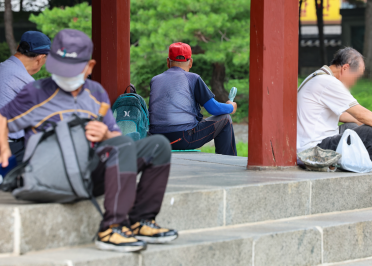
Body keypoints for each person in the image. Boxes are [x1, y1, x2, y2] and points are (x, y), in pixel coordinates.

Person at [0, 29, 178, 252]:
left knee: (158, 145)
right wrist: (5, 148)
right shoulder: (36, 91)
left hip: (88, 171)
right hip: (51, 175)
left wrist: (105, 135)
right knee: (119, 146)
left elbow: (115, 138)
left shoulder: (96, 94)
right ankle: (111, 228)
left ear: (89, 66)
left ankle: (142, 221)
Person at [297, 47, 372, 204]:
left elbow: (345, 116)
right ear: (345, 68)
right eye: (356, 77)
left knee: (356, 128)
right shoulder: (327, 82)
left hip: (310, 144)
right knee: (370, 134)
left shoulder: (316, 77)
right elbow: (359, 112)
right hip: (313, 151)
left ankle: (369, 177)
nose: (354, 83)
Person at [148, 42, 238, 156]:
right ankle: (228, 161)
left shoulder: (155, 80)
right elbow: (214, 109)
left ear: (168, 62)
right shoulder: (193, 78)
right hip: (183, 139)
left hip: (156, 140)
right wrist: (231, 106)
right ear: (190, 62)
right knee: (225, 118)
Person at [0, 31, 51, 164]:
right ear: (40, 58)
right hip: (10, 147)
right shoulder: (23, 79)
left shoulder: (3, 68)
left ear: (18, 47)